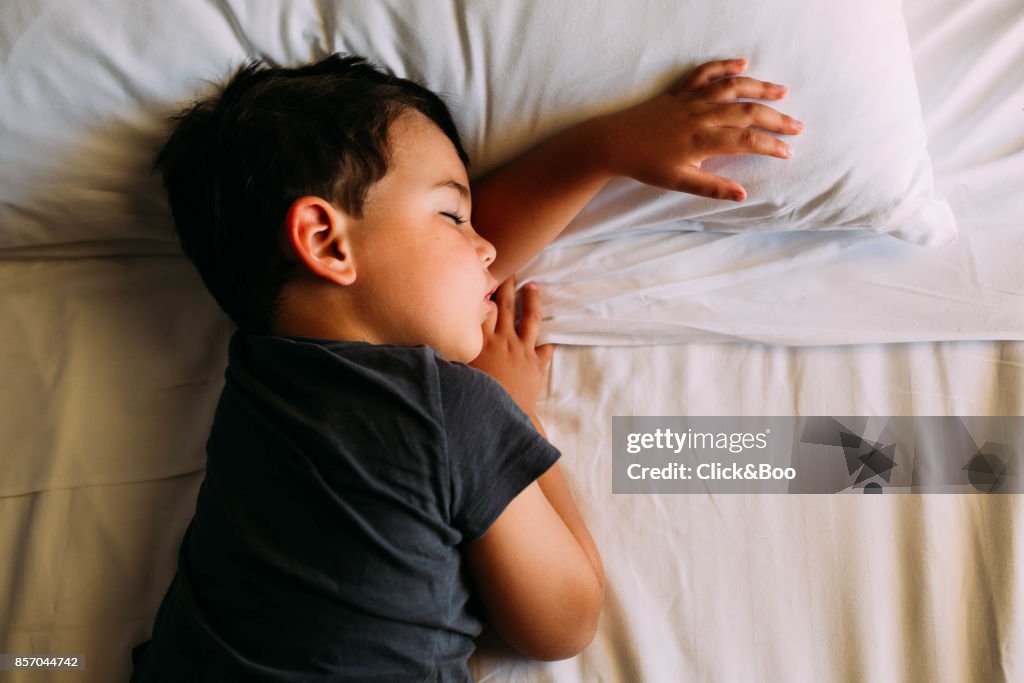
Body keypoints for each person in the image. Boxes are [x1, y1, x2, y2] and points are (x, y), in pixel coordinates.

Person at [130, 53, 801, 682]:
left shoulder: (256, 372)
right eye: (454, 214)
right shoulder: (451, 408)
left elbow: (413, 272)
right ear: (325, 241)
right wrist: (514, 409)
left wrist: (602, 150)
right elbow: (565, 621)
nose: (485, 248)